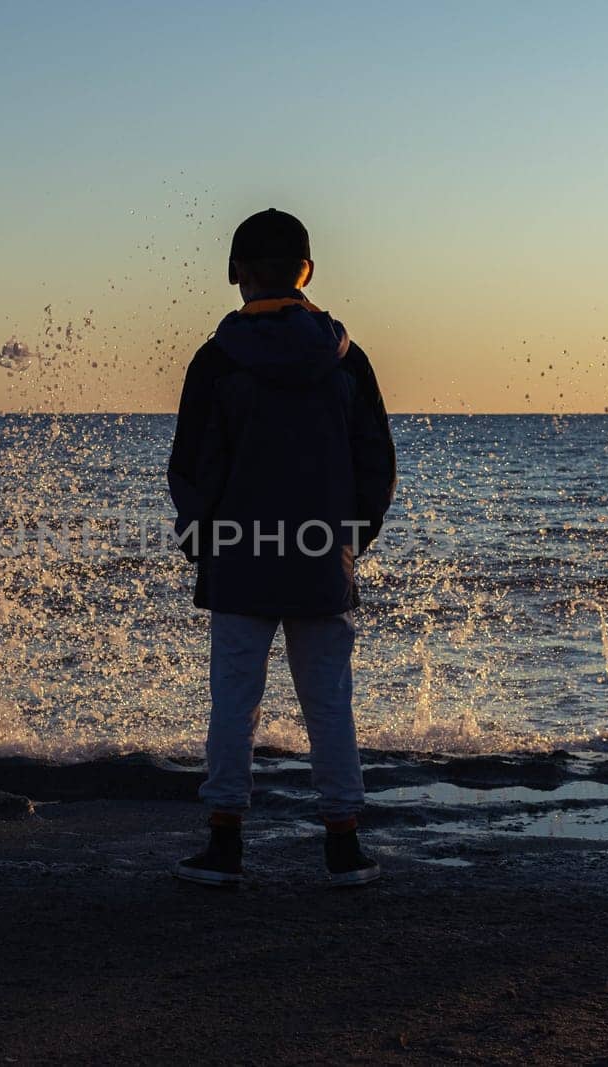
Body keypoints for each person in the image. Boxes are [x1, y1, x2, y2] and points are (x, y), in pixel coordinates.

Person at [167, 208, 397, 887]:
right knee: (328, 699)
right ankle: (343, 843)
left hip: (238, 554)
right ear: (309, 272)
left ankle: (226, 842)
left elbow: (191, 464)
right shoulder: (347, 360)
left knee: (234, 700)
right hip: (323, 554)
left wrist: (200, 536)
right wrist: (352, 538)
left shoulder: (215, 361)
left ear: (235, 273)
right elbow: (375, 463)